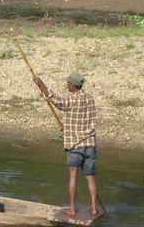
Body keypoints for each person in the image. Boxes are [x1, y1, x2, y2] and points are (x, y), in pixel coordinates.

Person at [33, 71, 99, 216]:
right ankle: (94, 207)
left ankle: (72, 209)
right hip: (90, 144)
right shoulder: (90, 98)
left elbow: (55, 99)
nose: (67, 85)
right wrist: (66, 127)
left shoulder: (72, 100)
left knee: (73, 177)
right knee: (90, 176)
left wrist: (41, 84)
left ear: (73, 86)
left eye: (68, 83)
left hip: (75, 145)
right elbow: (83, 118)